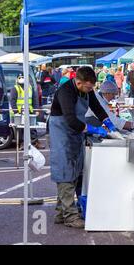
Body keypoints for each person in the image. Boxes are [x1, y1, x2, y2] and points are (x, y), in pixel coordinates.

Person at [49, 67, 118, 229]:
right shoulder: (65, 92)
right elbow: (71, 120)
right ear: (78, 82)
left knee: (76, 171)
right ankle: (70, 216)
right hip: (61, 133)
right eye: (88, 87)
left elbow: (96, 107)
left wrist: (107, 121)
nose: (90, 90)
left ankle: (61, 212)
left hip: (75, 134)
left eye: (91, 88)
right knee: (65, 172)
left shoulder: (87, 90)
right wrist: (93, 129)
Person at [10, 74, 45, 150]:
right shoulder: (15, 88)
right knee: (21, 129)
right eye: (20, 78)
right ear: (17, 79)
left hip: (30, 111)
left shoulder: (29, 87)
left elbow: (34, 99)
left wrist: (36, 110)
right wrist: (16, 111)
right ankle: (22, 144)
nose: (22, 79)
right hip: (20, 112)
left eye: (23, 77)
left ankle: (35, 142)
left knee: (32, 127)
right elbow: (12, 101)